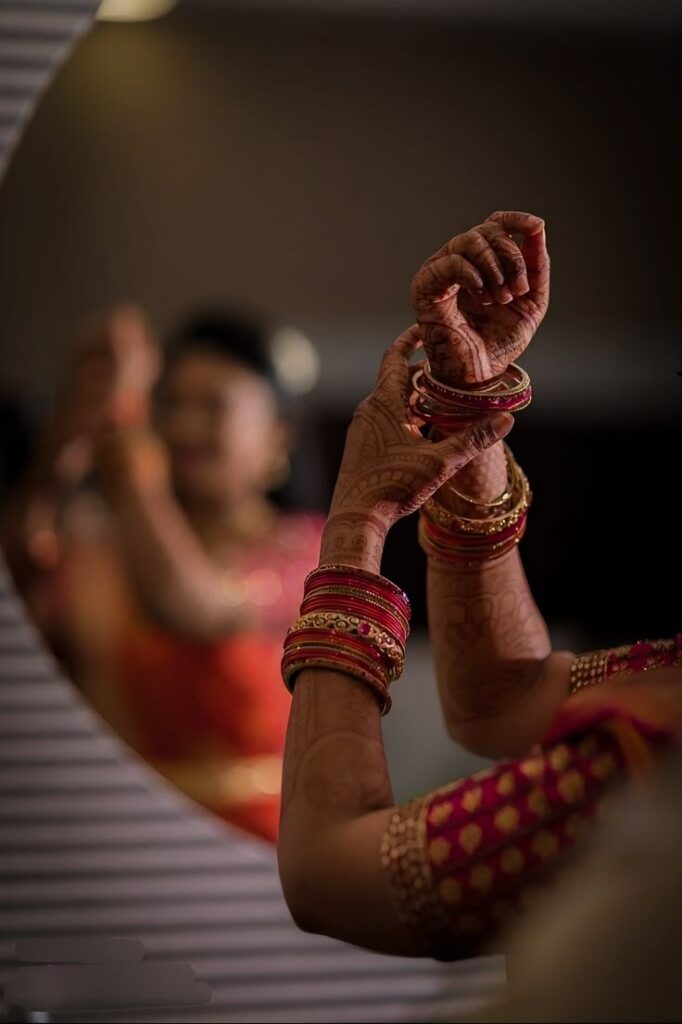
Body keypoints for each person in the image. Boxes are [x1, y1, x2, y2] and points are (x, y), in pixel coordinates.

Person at [277, 210, 681, 959]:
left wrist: (356, 527)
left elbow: (327, 874)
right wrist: (473, 397)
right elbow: (504, 699)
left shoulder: (648, 759)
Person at [3, 305, 323, 842]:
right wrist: (72, 429)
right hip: (120, 839)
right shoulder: (107, 544)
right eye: (170, 403)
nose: (182, 426)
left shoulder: (312, 550)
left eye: (212, 407)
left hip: (259, 855)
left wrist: (124, 438)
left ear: (277, 437)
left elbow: (192, 609)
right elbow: (21, 582)